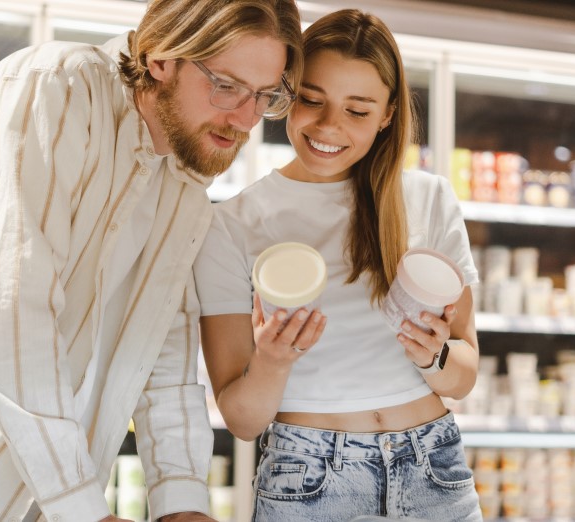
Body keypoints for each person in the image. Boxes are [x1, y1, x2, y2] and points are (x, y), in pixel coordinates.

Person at [0, 0, 302, 520]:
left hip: (28, 492)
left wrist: (182, 499)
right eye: (227, 86)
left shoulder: (184, 177)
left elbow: (163, 350)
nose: (246, 118)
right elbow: (13, 316)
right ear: (162, 56)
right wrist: (82, 509)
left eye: (264, 95)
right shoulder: (51, 89)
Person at [193, 9, 482, 522]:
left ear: (389, 114)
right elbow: (241, 419)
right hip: (310, 477)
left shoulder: (428, 198)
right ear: (288, 92)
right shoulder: (232, 224)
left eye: (358, 110)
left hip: (435, 469)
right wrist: (273, 361)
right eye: (312, 100)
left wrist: (433, 356)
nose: (330, 127)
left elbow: (462, 376)